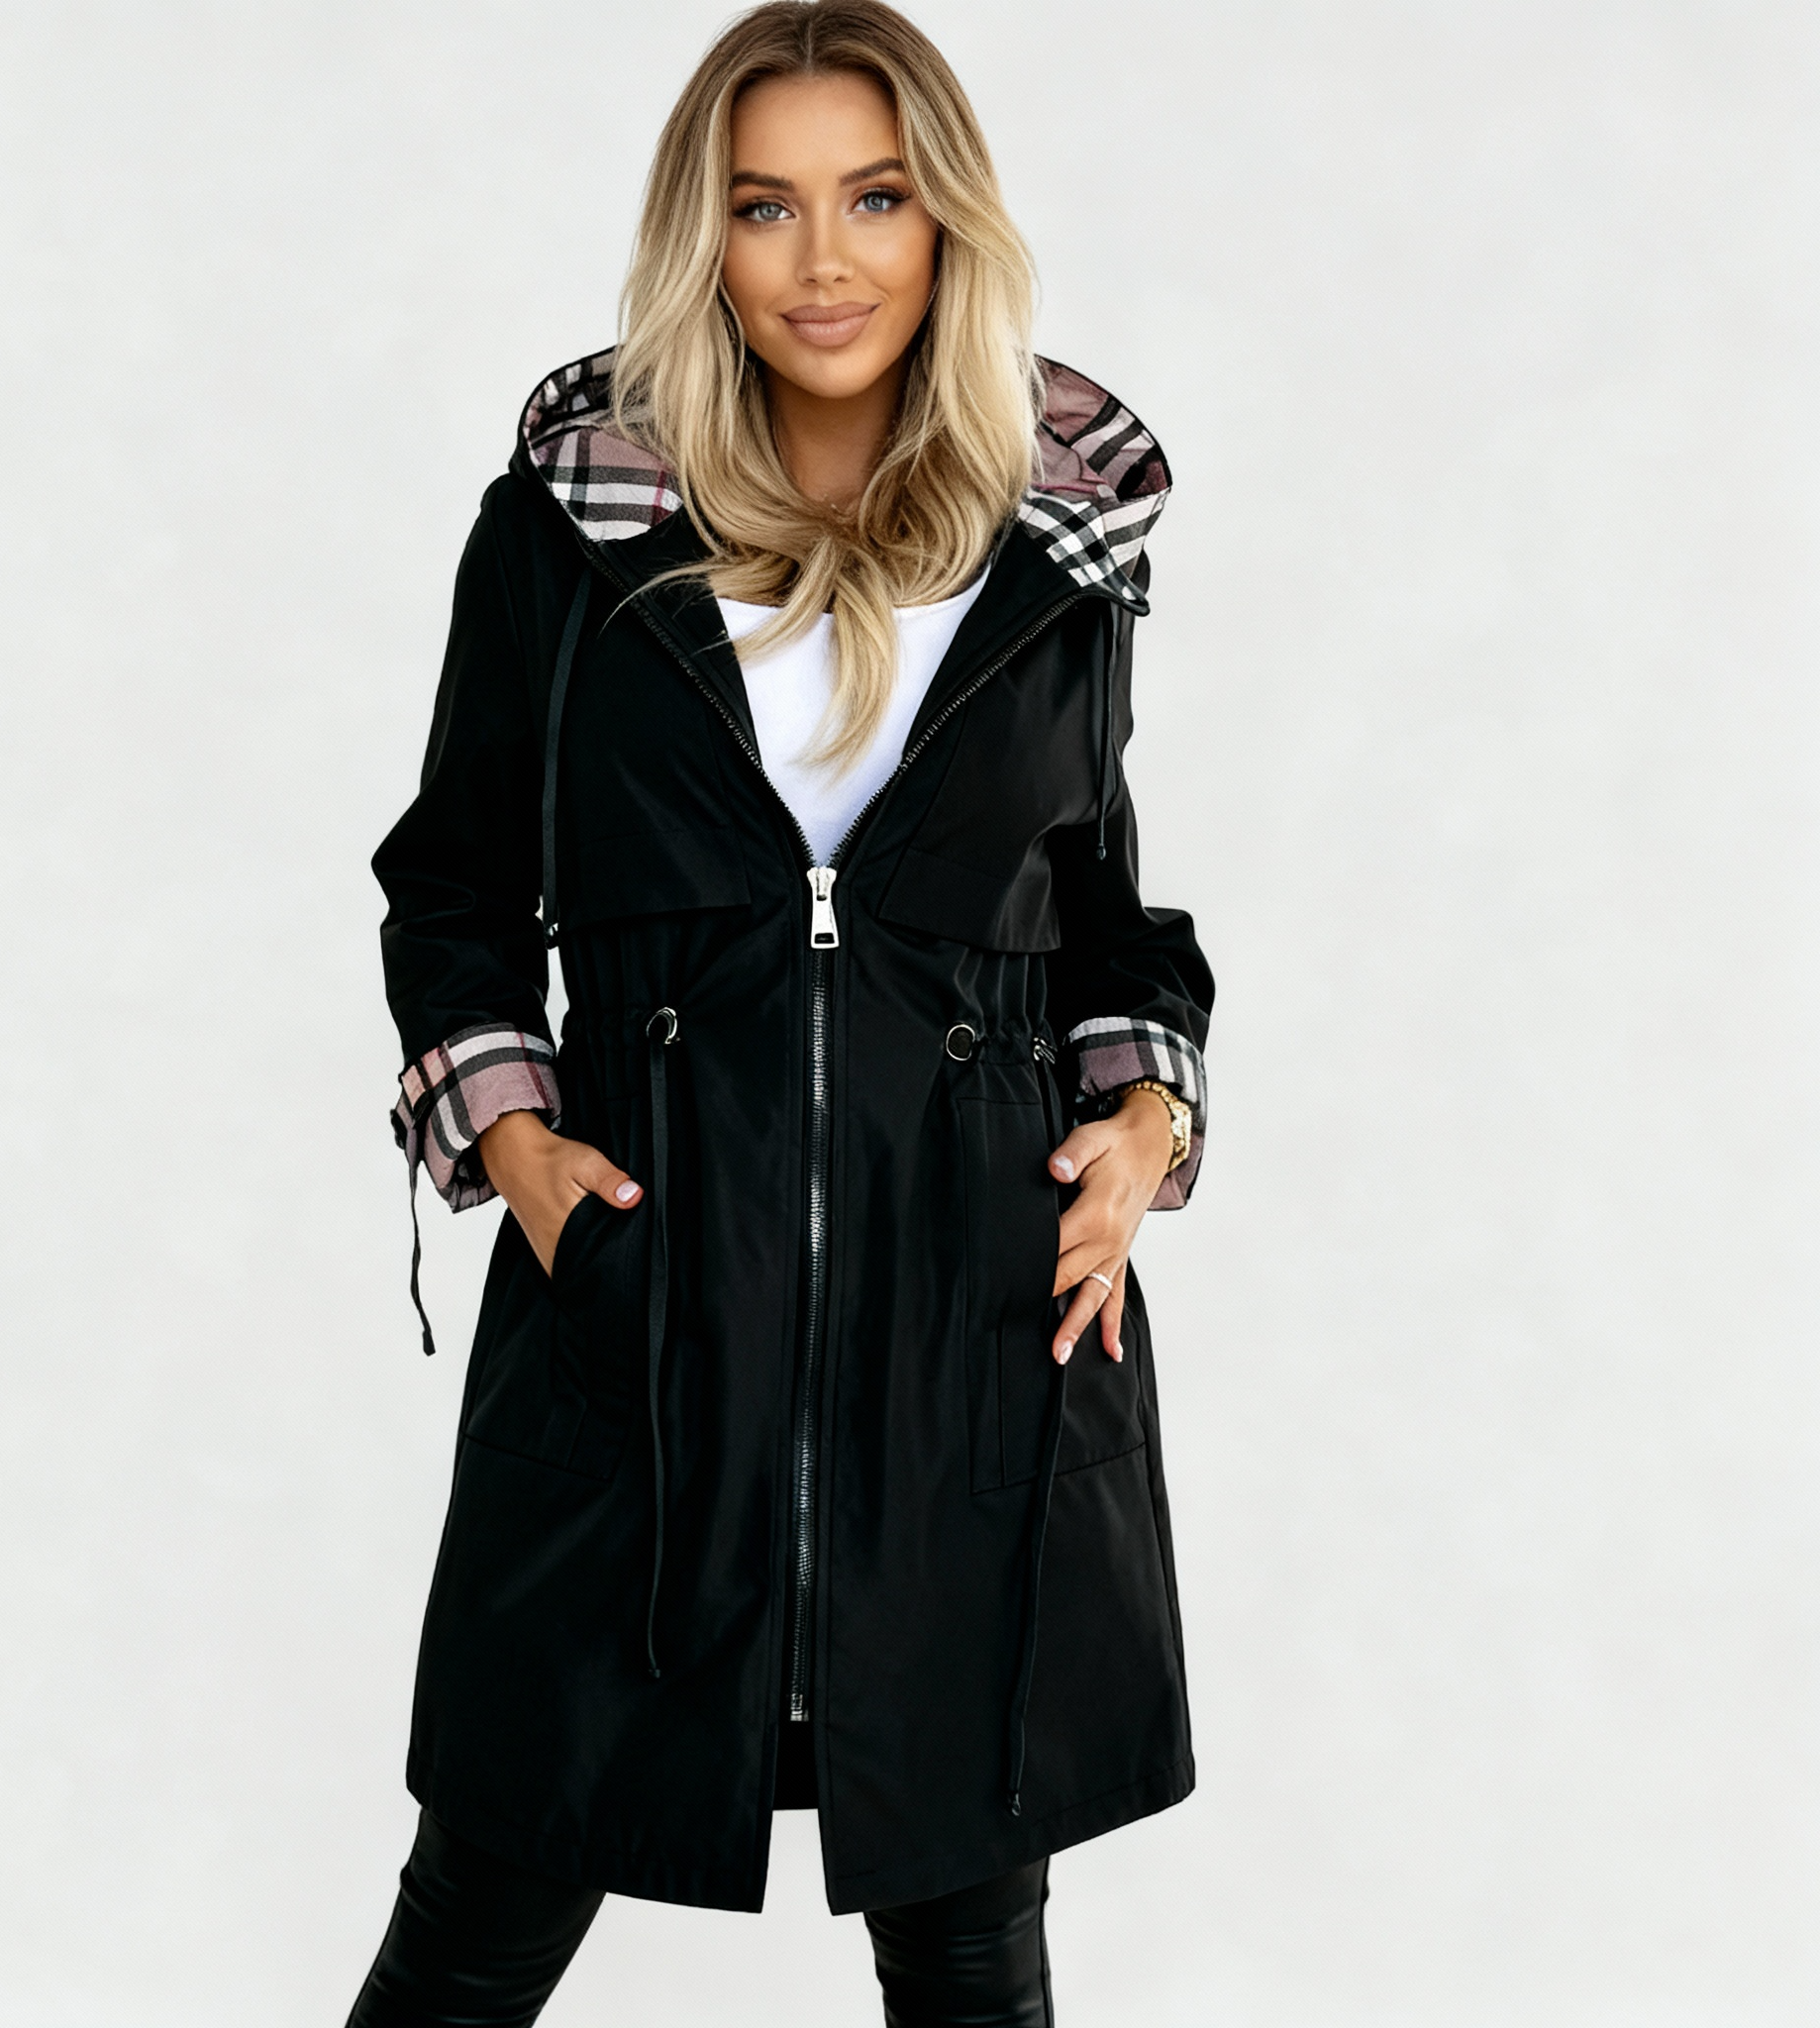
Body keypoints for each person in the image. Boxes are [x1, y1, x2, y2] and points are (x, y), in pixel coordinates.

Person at [350, 4, 1213, 2021]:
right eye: (765, 207)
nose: (824, 260)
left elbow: (1103, 914)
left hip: (971, 1332)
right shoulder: (567, 533)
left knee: (972, 1958)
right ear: (705, 238)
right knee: (475, 1931)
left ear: (945, 223)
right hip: (643, 1318)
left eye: (874, 198)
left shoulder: (1056, 552)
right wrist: (517, 1147)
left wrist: (1144, 1120)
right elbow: (453, 888)